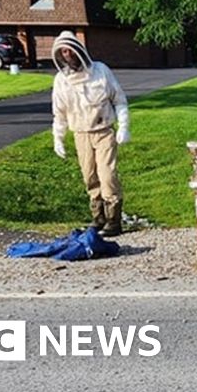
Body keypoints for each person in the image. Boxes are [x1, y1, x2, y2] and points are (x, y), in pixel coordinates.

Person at [51, 30, 130, 237]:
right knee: (90, 177)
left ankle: (113, 220)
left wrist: (124, 126)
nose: (68, 54)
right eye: (63, 51)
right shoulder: (61, 80)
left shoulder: (100, 71)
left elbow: (119, 100)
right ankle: (98, 217)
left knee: (107, 175)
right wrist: (58, 138)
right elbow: (59, 113)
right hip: (80, 133)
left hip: (103, 131)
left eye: (70, 50)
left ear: (78, 50)